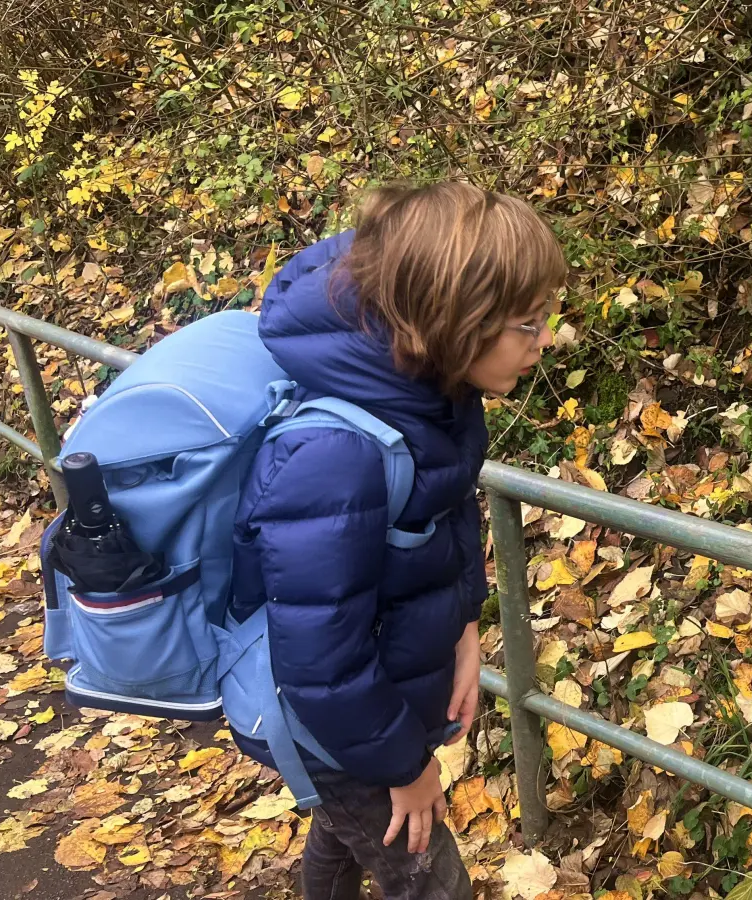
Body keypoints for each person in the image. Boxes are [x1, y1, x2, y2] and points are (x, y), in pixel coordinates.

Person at [229, 182, 565, 900]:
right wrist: (404, 769)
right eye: (528, 325)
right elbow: (321, 662)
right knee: (429, 877)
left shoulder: (429, 393)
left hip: (363, 706)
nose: (546, 341)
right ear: (457, 320)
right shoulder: (335, 457)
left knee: (341, 830)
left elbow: (444, 517)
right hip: (336, 722)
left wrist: (465, 626)